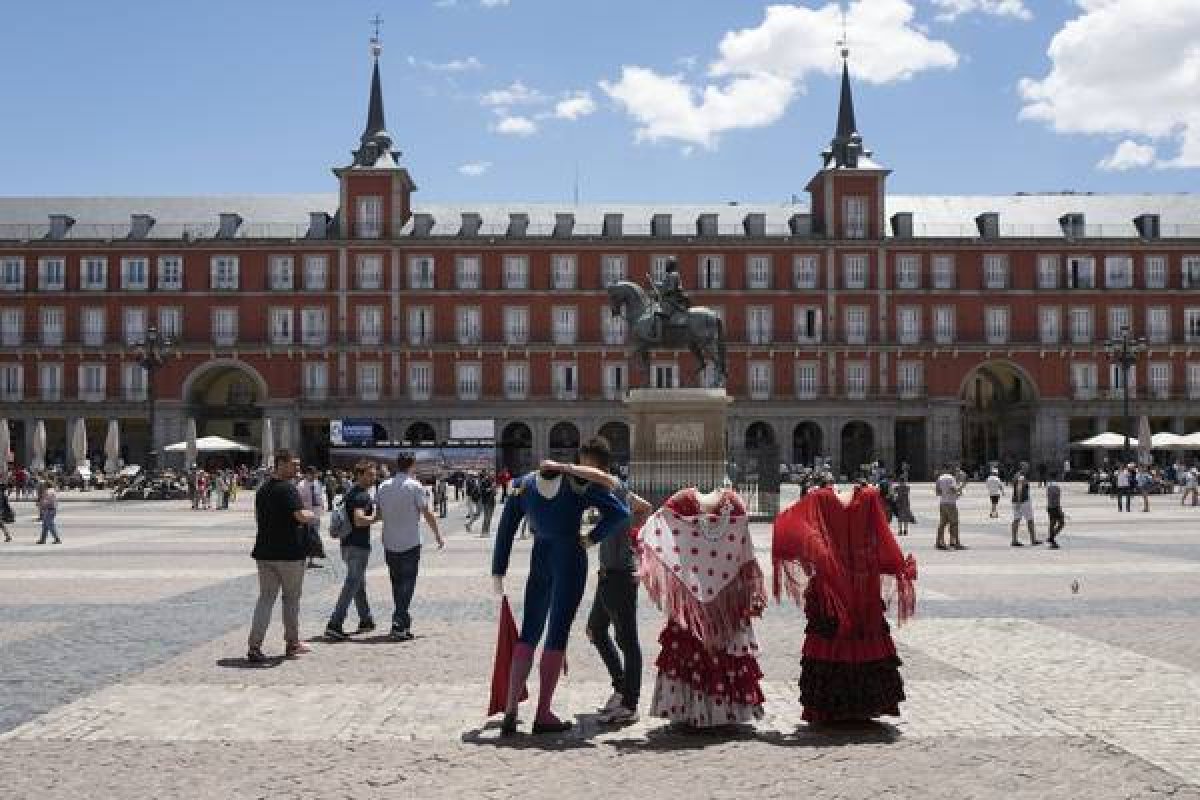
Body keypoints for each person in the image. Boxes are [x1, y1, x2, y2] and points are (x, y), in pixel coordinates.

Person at [491, 445, 631, 735]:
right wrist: (592, 538)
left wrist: (498, 570)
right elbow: (619, 512)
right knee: (557, 634)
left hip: (539, 556)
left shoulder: (522, 486)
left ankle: (510, 707)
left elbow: (505, 531)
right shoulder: (575, 485)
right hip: (569, 554)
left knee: (529, 631)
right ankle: (543, 713)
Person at [772, 482, 917, 724]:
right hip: (863, 579)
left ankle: (831, 704)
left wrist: (814, 554)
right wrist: (896, 563)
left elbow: (788, 523)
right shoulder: (869, 496)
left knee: (832, 634)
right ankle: (865, 704)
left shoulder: (818, 498)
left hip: (831, 579)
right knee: (862, 632)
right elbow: (882, 534)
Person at [565, 443, 652, 726]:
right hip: (608, 574)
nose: (583, 471)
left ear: (600, 467)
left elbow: (634, 511)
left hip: (620, 575)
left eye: (586, 465)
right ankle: (620, 687)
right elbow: (645, 508)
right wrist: (634, 537)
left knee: (628, 641)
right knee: (595, 630)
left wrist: (599, 539)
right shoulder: (617, 489)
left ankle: (630, 703)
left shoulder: (612, 485)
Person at [247, 450, 315, 663]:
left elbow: (258, 518)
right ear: (281, 464)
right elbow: (300, 516)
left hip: (264, 552)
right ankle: (292, 644)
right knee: (291, 599)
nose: (297, 469)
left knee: (266, 599)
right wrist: (311, 514)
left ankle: (254, 646)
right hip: (289, 554)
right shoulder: (288, 489)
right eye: (293, 465)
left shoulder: (262, 490)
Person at [377, 453, 444, 642]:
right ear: (412, 465)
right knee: (407, 584)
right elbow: (427, 512)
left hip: (390, 542)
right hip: (410, 542)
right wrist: (437, 534)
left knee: (397, 584)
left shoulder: (383, 486)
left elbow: (380, 514)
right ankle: (398, 622)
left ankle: (402, 622)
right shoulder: (415, 486)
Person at [325, 461, 379, 641]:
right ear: (360, 475)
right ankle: (335, 623)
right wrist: (376, 517)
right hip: (358, 545)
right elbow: (359, 520)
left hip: (347, 544)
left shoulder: (350, 492)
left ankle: (366, 619)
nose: (374, 477)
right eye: (370, 474)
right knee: (352, 584)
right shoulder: (361, 496)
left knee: (358, 584)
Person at [297, 466, 326, 569]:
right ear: (307, 474)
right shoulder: (301, 485)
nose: (314, 476)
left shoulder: (317, 483)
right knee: (306, 537)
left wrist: (323, 507)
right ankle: (303, 560)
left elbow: (321, 496)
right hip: (306, 515)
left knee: (314, 538)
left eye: (315, 474)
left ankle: (311, 560)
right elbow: (298, 501)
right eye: (312, 474)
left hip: (316, 514)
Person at [934, 466, 963, 551]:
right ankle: (956, 542)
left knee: (942, 524)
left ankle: (939, 542)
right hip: (951, 504)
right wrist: (959, 491)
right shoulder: (951, 478)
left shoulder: (940, 478)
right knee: (954, 523)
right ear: (950, 470)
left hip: (942, 503)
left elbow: (937, 492)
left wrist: (945, 493)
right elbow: (953, 488)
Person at [1010, 472, 1040, 547]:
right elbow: (1019, 488)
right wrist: (1019, 501)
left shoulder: (1016, 478)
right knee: (1030, 520)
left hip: (1016, 502)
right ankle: (1033, 540)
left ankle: (1014, 540)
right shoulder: (1021, 478)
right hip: (1023, 502)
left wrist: (1017, 501)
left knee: (1016, 520)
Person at [474, 471, 497, 537]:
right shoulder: (484, 482)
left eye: (493, 476)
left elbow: (494, 493)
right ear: (488, 475)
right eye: (492, 475)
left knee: (489, 517)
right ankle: (483, 531)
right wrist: (490, 489)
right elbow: (482, 491)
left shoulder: (492, 482)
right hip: (486, 501)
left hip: (492, 501)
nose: (493, 477)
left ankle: (487, 531)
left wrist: (494, 490)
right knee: (486, 517)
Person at [1046, 477, 1065, 549]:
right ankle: (1051, 538)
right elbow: (1056, 499)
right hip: (1055, 508)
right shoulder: (1056, 487)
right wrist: (1059, 509)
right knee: (1061, 523)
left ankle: (1051, 538)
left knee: (1052, 523)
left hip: (1050, 507)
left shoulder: (1049, 486)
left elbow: (1050, 498)